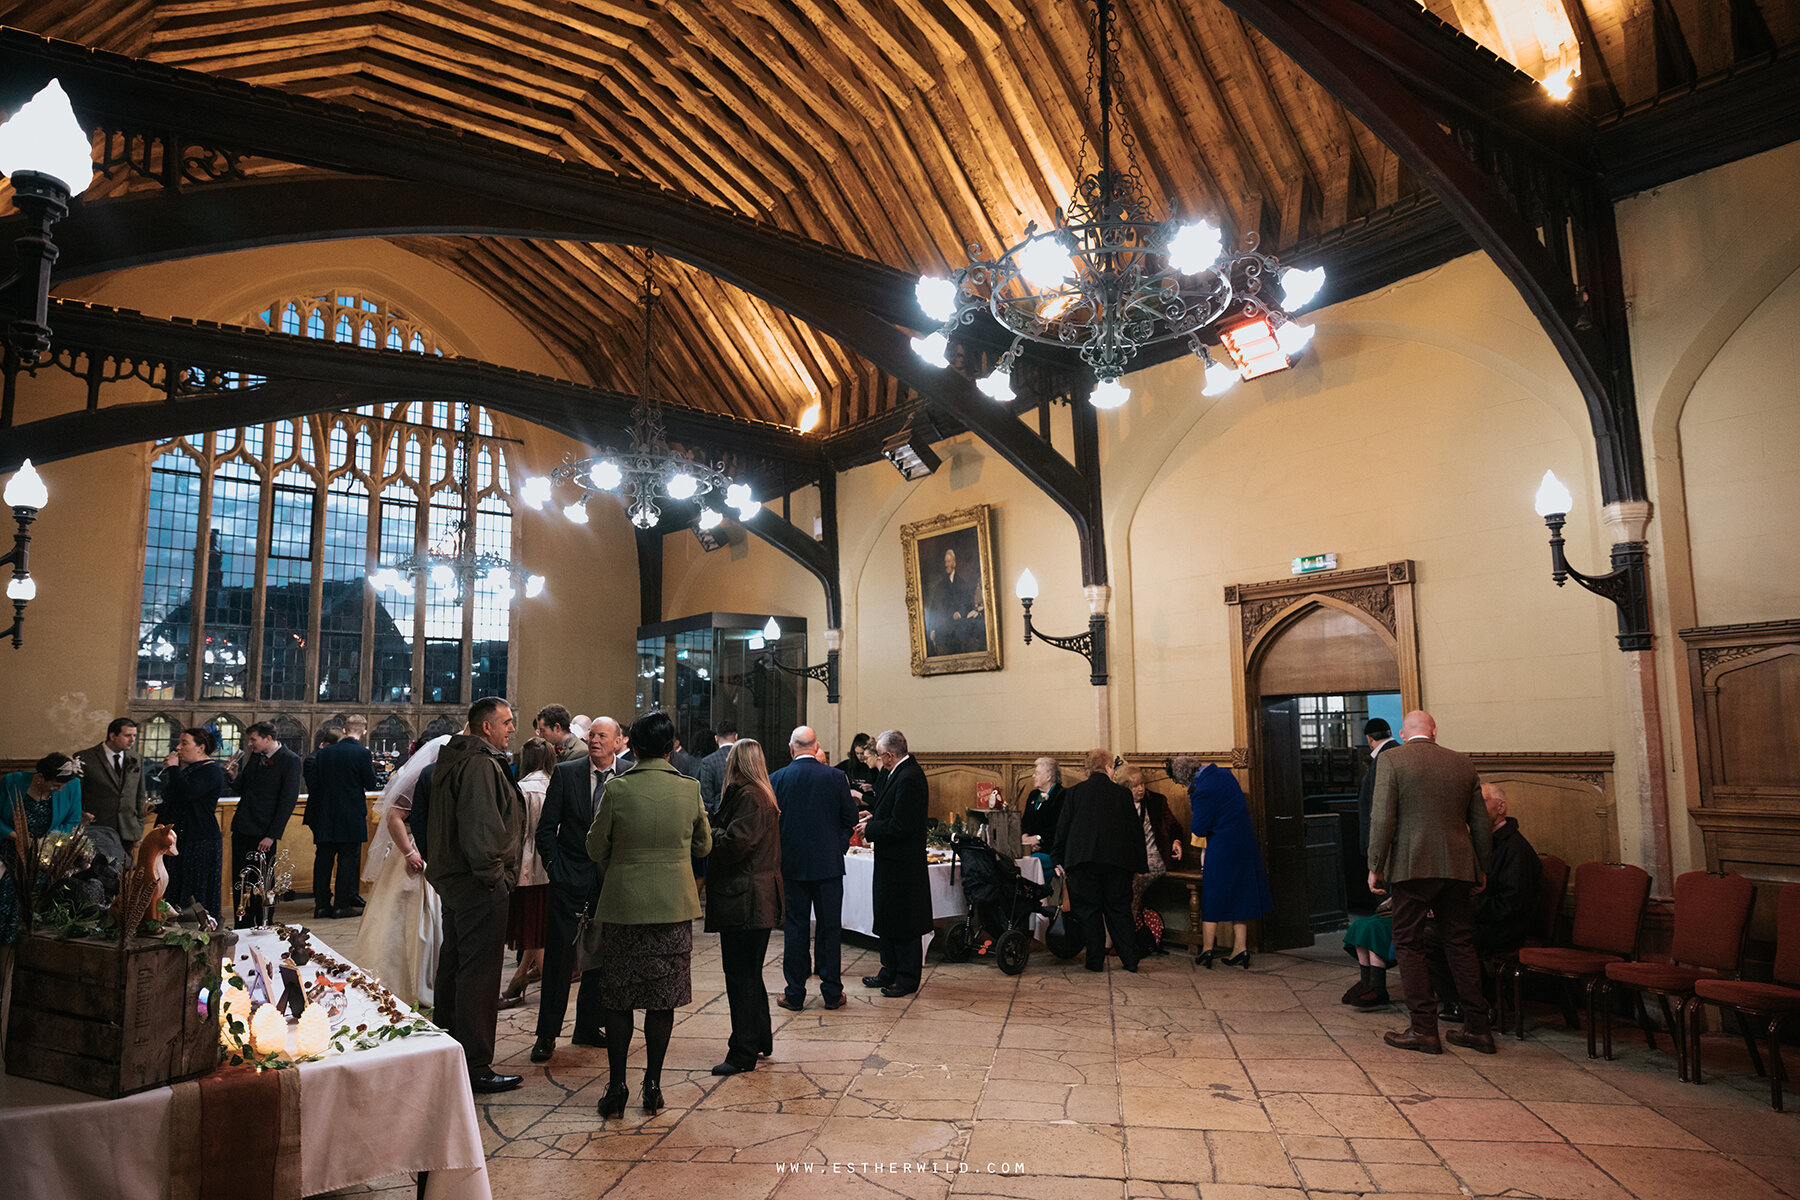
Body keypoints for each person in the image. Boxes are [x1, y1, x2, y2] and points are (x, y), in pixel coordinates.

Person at [586, 711, 712, 1117]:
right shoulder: (689, 789)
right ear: (670, 747)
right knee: (663, 1000)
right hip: (672, 907)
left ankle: (617, 1085)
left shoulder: (618, 789)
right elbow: (704, 847)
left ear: (632, 747)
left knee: (619, 998)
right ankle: (653, 1085)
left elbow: (594, 848)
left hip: (624, 906)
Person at [1367, 709, 1495, 1056]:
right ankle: (1478, 1029)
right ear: (1435, 731)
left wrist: (1375, 865)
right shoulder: (1462, 763)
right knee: (1460, 944)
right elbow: (1480, 823)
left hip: (1412, 866)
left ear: (1405, 734)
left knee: (1408, 942)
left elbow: (1383, 818)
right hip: (1457, 866)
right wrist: (1482, 867)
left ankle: (1424, 1029)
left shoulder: (1393, 761)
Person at [426, 697, 526, 1094]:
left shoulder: (455, 758)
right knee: (480, 976)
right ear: (486, 727)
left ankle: (449, 1051)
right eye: (506, 722)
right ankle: (476, 1064)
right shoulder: (481, 764)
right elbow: (482, 829)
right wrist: (496, 879)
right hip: (478, 884)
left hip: (456, 881)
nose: (512, 729)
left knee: (455, 967)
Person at [531, 716, 627, 1064]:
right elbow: (545, 830)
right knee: (559, 961)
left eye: (603, 735)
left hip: (610, 883)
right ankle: (546, 1034)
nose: (595, 740)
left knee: (600, 959)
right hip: (570, 879)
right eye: (592, 735)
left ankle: (588, 1026)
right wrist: (556, 869)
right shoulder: (568, 772)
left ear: (618, 741)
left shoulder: (629, 774)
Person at [355, 730, 453, 1007]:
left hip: (434, 848)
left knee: (433, 921)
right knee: (407, 918)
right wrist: (409, 852)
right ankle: (402, 981)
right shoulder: (420, 776)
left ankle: (431, 978)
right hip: (413, 850)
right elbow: (394, 816)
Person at [1430, 784, 1541, 1023]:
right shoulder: (1484, 841)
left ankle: (1474, 1004)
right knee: (1424, 931)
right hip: (1483, 919)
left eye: (1481, 803)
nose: (1474, 811)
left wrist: (1462, 910)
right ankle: (1461, 1002)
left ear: (1501, 808)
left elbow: (1511, 904)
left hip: (1505, 928)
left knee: (1435, 936)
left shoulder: (1516, 849)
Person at [706, 738, 784, 1076]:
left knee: (741, 978)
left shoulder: (750, 795)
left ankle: (742, 1053)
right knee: (750, 975)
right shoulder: (758, 793)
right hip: (753, 895)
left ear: (737, 763)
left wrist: (709, 834)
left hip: (746, 897)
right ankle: (760, 1037)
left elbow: (737, 843)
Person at [771, 725, 857, 1012]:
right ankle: (832, 993)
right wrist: (838, 846)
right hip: (829, 866)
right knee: (829, 929)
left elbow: (772, 824)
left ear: (791, 747)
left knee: (795, 929)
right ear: (816, 745)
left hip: (792, 866)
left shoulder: (778, 779)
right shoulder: (835, 777)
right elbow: (850, 819)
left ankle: (794, 993)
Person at [1053, 750, 1146, 973]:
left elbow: (1062, 828)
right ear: (1108, 768)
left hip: (1082, 861)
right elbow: (1135, 832)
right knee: (1119, 910)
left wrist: (1058, 858)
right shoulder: (1122, 795)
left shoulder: (1074, 793)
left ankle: (1094, 961)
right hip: (1116, 863)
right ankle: (1130, 960)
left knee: (1088, 912)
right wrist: (1140, 865)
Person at [1176, 757, 1273, 968]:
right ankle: (1241, 948)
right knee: (1242, 894)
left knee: (1213, 895)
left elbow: (1199, 828)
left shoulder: (1200, 791)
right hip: (1244, 843)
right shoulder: (1225, 774)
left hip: (1222, 847)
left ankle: (1207, 950)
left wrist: (1192, 801)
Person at [857, 729, 931, 997]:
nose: (879, 760)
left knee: (904, 921)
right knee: (888, 917)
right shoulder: (895, 772)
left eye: (880, 755)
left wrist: (871, 830)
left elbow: (902, 825)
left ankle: (906, 977)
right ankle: (889, 969)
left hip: (904, 863)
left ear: (890, 754)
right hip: (890, 860)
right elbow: (891, 810)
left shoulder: (910, 776)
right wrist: (873, 816)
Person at [0, 753, 84, 944]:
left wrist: (46, 840)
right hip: (7, 854)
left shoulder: (71, 786)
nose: (59, 789)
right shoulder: (12, 782)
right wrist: (18, 837)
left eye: (62, 786)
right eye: (55, 785)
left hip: (43, 858)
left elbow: (72, 821)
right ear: (39, 777)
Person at [500, 736, 558, 1007]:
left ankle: (550, 991)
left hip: (525, 863)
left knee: (532, 928)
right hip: (550, 863)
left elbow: (515, 830)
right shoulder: (555, 784)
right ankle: (520, 979)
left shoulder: (522, 788)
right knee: (537, 927)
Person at [303, 714, 378, 919]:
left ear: (345, 730)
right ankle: (341, 905)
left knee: (323, 860)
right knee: (347, 860)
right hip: (351, 814)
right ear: (363, 730)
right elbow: (370, 783)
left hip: (326, 814)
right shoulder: (362, 753)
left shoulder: (325, 753)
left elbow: (316, 783)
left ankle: (321, 905)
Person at [228, 722, 302, 919]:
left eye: (253, 739)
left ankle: (263, 921)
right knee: (241, 879)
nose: (250, 744)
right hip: (243, 826)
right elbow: (244, 788)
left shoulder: (290, 760)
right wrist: (234, 777)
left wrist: (272, 835)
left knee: (263, 881)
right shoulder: (256, 756)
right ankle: (241, 920)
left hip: (264, 831)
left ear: (268, 738)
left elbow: (287, 801)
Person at [160, 727, 227, 923]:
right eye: (179, 743)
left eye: (184, 743)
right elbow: (175, 797)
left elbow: (188, 793)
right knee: (175, 890)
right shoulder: (190, 769)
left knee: (195, 894)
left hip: (200, 840)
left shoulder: (212, 770)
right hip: (181, 839)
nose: (178, 748)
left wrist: (173, 768)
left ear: (201, 747)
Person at [1115, 763, 1183, 923]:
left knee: (1132, 888)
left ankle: (1126, 937)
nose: (1140, 789)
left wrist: (1176, 842)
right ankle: (1116, 937)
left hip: (1152, 859)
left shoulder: (1156, 802)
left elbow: (1174, 826)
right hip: (1125, 861)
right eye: (1134, 786)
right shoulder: (1116, 804)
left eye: (1142, 784)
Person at [75, 718, 148, 852]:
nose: (132, 740)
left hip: (128, 831)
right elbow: (75, 794)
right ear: (112, 736)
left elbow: (140, 796)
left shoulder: (136, 759)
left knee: (124, 871)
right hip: (97, 829)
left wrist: (138, 829)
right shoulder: (85, 758)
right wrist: (81, 815)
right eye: (127, 735)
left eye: (134, 736)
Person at [924, 547, 983, 655]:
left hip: (959, 633)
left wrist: (959, 613)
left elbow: (968, 603)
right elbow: (934, 608)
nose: (947, 564)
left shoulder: (962, 583)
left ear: (954, 563)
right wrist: (932, 629)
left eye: (949, 561)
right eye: (945, 561)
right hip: (943, 633)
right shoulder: (940, 586)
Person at [1356, 717, 1400, 860]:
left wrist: (1373, 848)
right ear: (1390, 732)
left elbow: (1379, 804)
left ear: (1369, 738)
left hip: (1384, 841)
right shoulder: (1400, 751)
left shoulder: (1382, 758)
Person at [697, 720, 739, 815]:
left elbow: (707, 799)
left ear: (716, 738)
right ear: (736, 736)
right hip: (741, 816)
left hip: (719, 816)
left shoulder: (708, 761)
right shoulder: (744, 758)